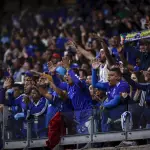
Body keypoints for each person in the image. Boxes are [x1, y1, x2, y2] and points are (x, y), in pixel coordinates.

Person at [92, 61, 130, 132]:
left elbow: (115, 101)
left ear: (118, 77)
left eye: (111, 75)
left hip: (121, 116)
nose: (108, 77)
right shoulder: (109, 85)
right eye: (108, 75)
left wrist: (104, 105)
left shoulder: (123, 85)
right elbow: (95, 84)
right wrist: (94, 70)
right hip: (111, 115)